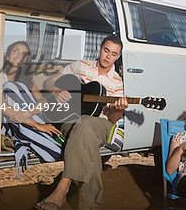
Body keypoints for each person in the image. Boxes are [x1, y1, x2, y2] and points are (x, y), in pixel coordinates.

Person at [36, 34, 128, 210]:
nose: (108, 57)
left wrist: (119, 108)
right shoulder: (80, 65)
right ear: (100, 48)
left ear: (118, 56)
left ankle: (62, 188)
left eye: (114, 54)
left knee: (86, 123)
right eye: (106, 50)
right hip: (71, 119)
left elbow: (112, 119)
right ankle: (90, 205)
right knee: (87, 137)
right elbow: (48, 81)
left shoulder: (117, 82)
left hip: (101, 124)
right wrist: (56, 90)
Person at [1, 41, 62, 174]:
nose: (18, 55)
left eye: (23, 54)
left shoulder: (26, 79)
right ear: (7, 55)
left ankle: (43, 138)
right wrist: (35, 124)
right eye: (15, 51)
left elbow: (43, 101)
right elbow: (3, 107)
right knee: (10, 87)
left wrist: (28, 114)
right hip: (8, 121)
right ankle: (38, 137)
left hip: (27, 118)